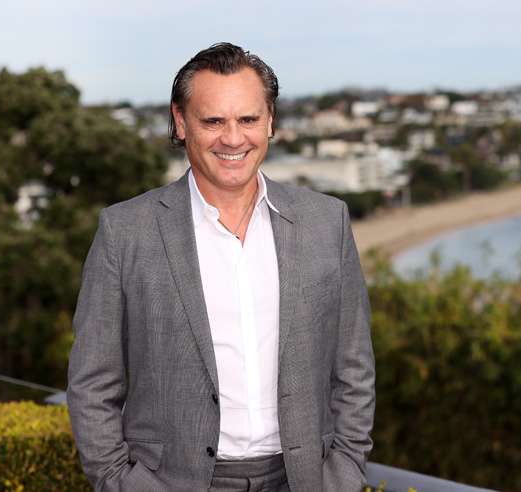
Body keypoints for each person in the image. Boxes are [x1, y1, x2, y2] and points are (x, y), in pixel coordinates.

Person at [67, 42, 375, 492]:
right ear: (180, 122)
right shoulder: (125, 230)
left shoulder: (326, 221)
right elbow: (92, 381)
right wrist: (119, 481)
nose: (233, 139)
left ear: (270, 121)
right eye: (213, 121)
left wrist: (344, 471)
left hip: (305, 481)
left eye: (248, 119)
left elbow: (354, 367)